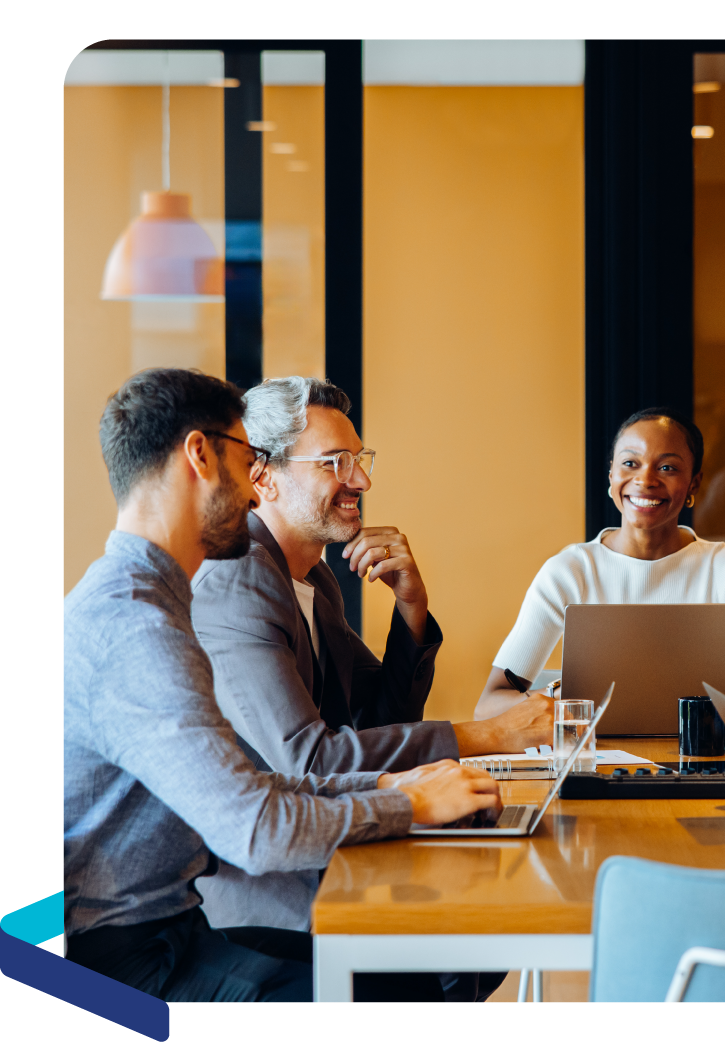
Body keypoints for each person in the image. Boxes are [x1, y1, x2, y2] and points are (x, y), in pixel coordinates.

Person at [64, 368, 501, 1003]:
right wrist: (413, 804)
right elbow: (257, 829)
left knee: (409, 979)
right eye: (247, 460)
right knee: (400, 992)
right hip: (119, 967)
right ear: (200, 456)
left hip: (171, 932)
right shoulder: (135, 626)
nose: (253, 487)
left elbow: (254, 783)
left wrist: (389, 783)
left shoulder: (151, 600)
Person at [189, 377, 549, 984]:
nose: (361, 480)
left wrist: (410, 607)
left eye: (359, 459)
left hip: (333, 843)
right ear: (263, 476)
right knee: (462, 952)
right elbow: (310, 755)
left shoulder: (315, 580)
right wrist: (488, 735)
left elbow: (380, 719)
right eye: (335, 462)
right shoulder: (237, 583)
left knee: (486, 934)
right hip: (266, 891)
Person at [476, 406, 725, 720]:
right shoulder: (568, 571)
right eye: (630, 463)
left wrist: (628, 697)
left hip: (700, 763)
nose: (645, 480)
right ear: (611, 475)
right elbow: (490, 704)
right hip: (595, 765)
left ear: (694, 484)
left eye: (667, 468)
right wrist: (569, 698)